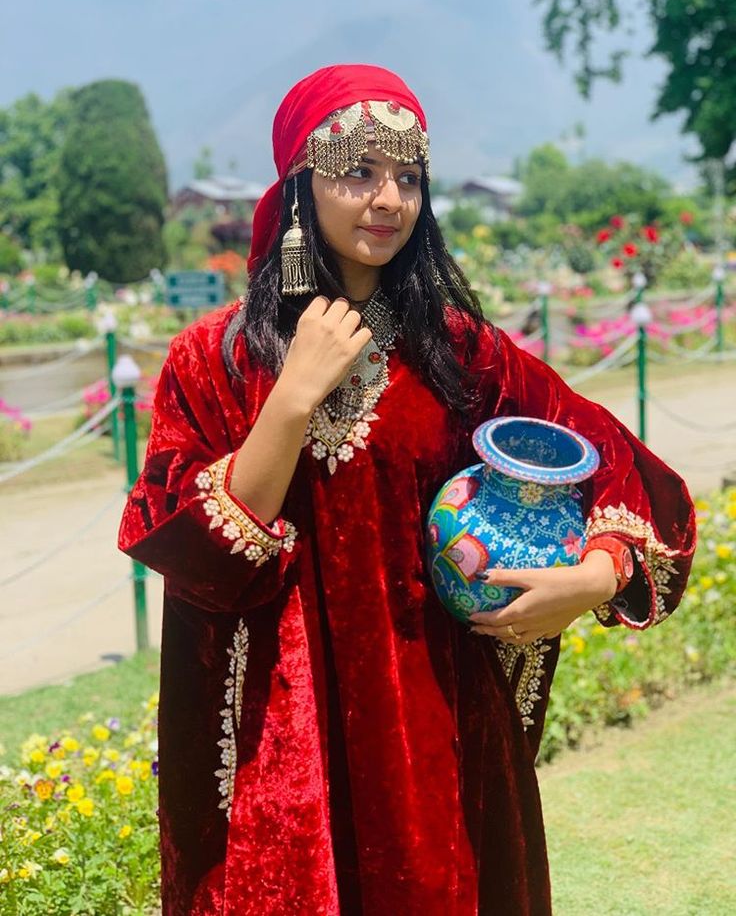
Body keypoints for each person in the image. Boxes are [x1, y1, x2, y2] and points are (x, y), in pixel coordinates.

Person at [118, 64, 696, 916]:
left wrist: (595, 575)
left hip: (436, 732)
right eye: (358, 169)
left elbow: (614, 460)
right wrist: (290, 397)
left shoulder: (461, 354)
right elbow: (193, 555)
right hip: (282, 747)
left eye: (409, 176)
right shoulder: (216, 361)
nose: (387, 197)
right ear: (300, 183)